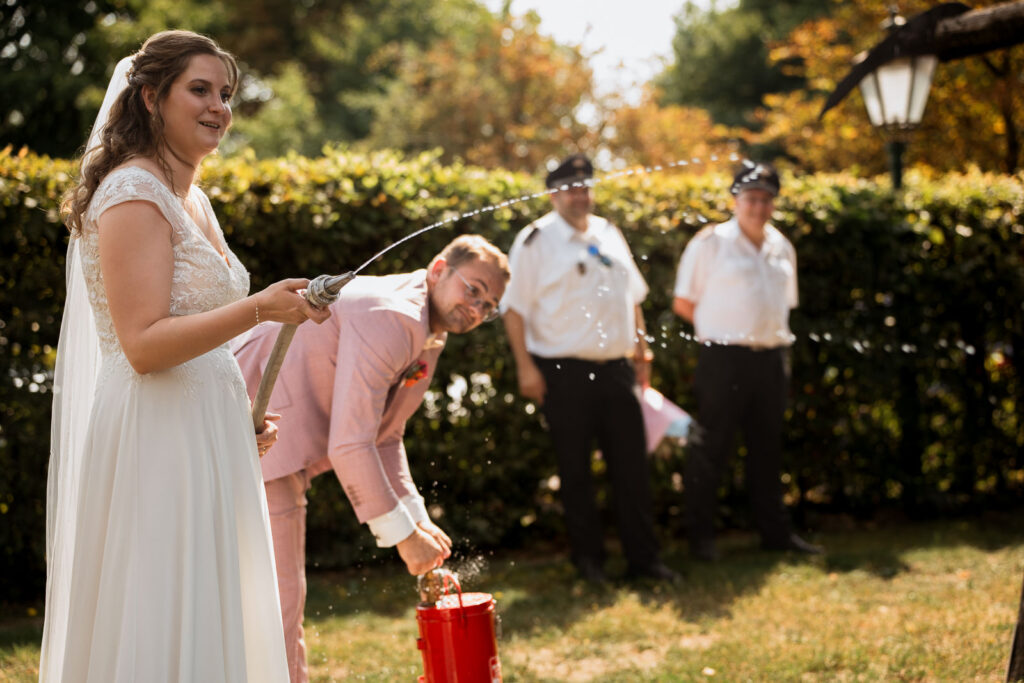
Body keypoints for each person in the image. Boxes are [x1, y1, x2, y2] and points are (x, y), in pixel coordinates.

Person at [41, 31, 331, 682]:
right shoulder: (131, 192)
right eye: (198, 90)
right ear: (150, 97)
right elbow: (143, 343)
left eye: (224, 94)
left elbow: (201, 334)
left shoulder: (192, 196)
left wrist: (237, 415)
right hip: (154, 434)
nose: (218, 107)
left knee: (213, 599)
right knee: (162, 599)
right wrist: (259, 306)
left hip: (205, 432)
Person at [232, 234, 509, 683]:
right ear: (439, 269)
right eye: (473, 289)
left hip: (273, 445)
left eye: (489, 305)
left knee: (268, 601)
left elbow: (385, 434)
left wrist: (418, 519)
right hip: (249, 428)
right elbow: (351, 444)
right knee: (276, 602)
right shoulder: (395, 316)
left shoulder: (426, 332)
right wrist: (402, 535)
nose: (476, 308)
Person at [501, 153, 677, 585]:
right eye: (570, 188)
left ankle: (644, 561)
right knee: (576, 471)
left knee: (632, 469)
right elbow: (513, 309)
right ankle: (589, 563)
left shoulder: (609, 231)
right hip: (563, 372)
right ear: (553, 194)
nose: (580, 196)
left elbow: (632, 297)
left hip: (617, 369)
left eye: (585, 187)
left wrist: (642, 353)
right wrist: (526, 368)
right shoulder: (535, 240)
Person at [672, 162, 822, 561]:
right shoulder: (710, 243)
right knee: (713, 448)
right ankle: (702, 539)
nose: (758, 206)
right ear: (736, 200)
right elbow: (684, 301)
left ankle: (775, 535)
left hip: (771, 360)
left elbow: (785, 302)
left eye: (766, 199)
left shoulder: (781, 245)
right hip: (724, 359)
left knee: (767, 450)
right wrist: (722, 330)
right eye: (751, 198)